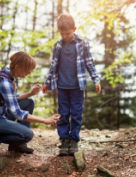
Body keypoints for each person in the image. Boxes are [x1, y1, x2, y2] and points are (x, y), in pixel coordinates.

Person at [0, 51, 60, 155]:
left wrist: (30, 93)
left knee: (28, 102)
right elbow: (17, 113)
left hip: (1, 115)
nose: (29, 72)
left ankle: (16, 145)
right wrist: (44, 120)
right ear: (17, 67)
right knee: (27, 135)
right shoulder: (4, 81)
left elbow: (12, 98)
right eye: (27, 69)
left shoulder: (12, 77)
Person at [42, 13, 101, 156]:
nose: (65, 36)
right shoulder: (58, 45)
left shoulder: (82, 44)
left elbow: (89, 63)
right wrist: (47, 82)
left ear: (74, 29)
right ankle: (64, 140)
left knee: (76, 113)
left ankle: (73, 140)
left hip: (77, 87)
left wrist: (96, 79)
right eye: (62, 33)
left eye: (67, 33)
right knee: (62, 113)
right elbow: (53, 66)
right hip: (62, 86)